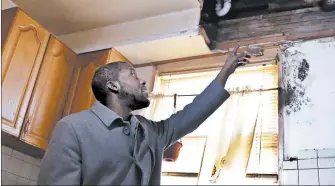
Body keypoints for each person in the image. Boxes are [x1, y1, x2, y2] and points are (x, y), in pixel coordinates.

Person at [38, 46, 251, 185]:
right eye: (133, 74)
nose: (142, 81)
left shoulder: (150, 131)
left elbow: (191, 114)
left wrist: (225, 72)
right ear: (113, 86)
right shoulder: (73, 128)